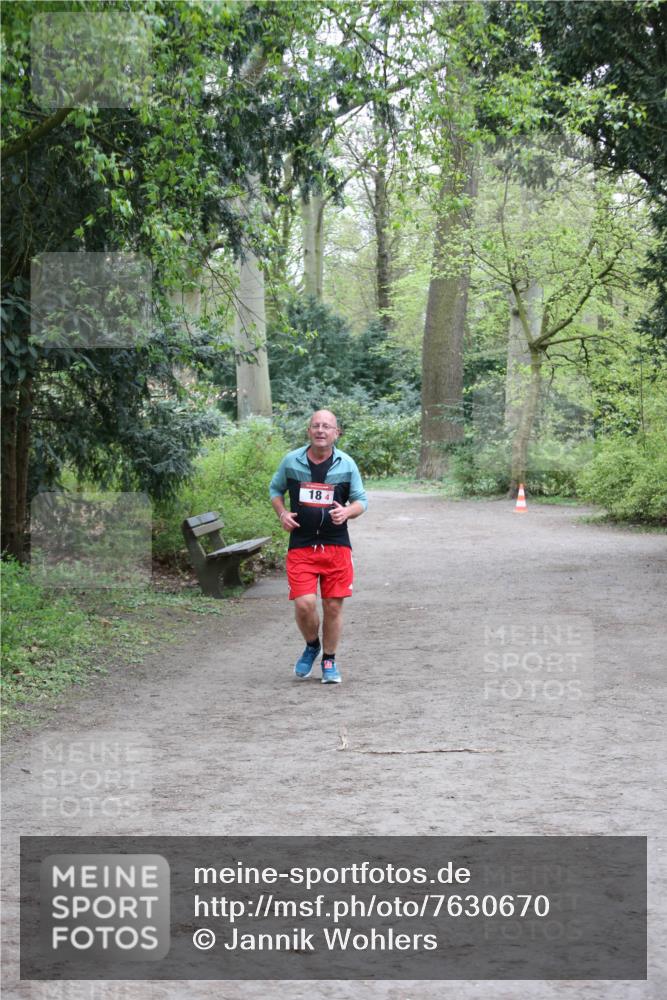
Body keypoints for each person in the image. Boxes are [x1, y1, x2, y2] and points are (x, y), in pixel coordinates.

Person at [269, 409, 368, 684]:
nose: (321, 430)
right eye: (316, 426)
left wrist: (348, 512)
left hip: (336, 546)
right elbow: (275, 490)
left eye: (327, 426)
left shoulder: (347, 464)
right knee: (304, 604)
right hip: (301, 545)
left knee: (333, 607)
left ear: (337, 432)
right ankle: (312, 644)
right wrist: (282, 514)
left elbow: (361, 500)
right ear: (309, 431)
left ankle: (329, 660)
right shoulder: (291, 461)